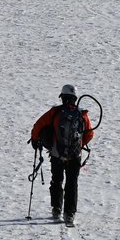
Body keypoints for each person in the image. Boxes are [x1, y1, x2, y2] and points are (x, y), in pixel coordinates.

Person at [29, 85, 94, 224]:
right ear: (75, 98)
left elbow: (38, 125)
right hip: (75, 156)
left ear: (62, 97)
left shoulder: (55, 112)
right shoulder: (82, 115)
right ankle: (69, 213)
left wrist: (35, 140)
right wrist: (79, 146)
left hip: (56, 154)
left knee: (57, 180)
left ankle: (56, 209)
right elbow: (89, 134)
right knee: (72, 183)